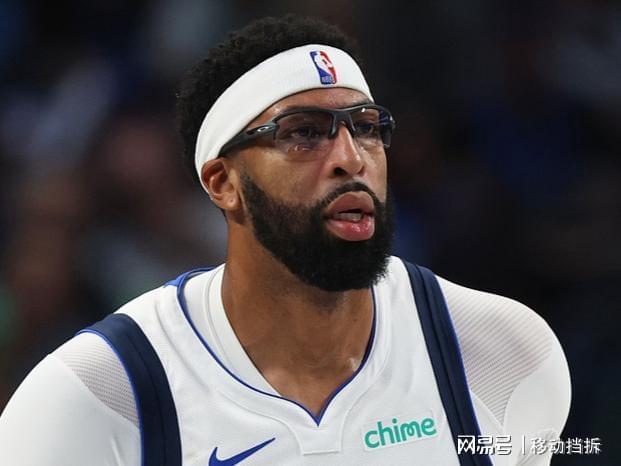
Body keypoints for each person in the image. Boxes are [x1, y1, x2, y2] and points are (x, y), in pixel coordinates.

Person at [0, 15, 570, 466]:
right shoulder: (94, 396)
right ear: (223, 183)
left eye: (366, 128)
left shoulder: (503, 352)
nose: (351, 158)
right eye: (303, 133)